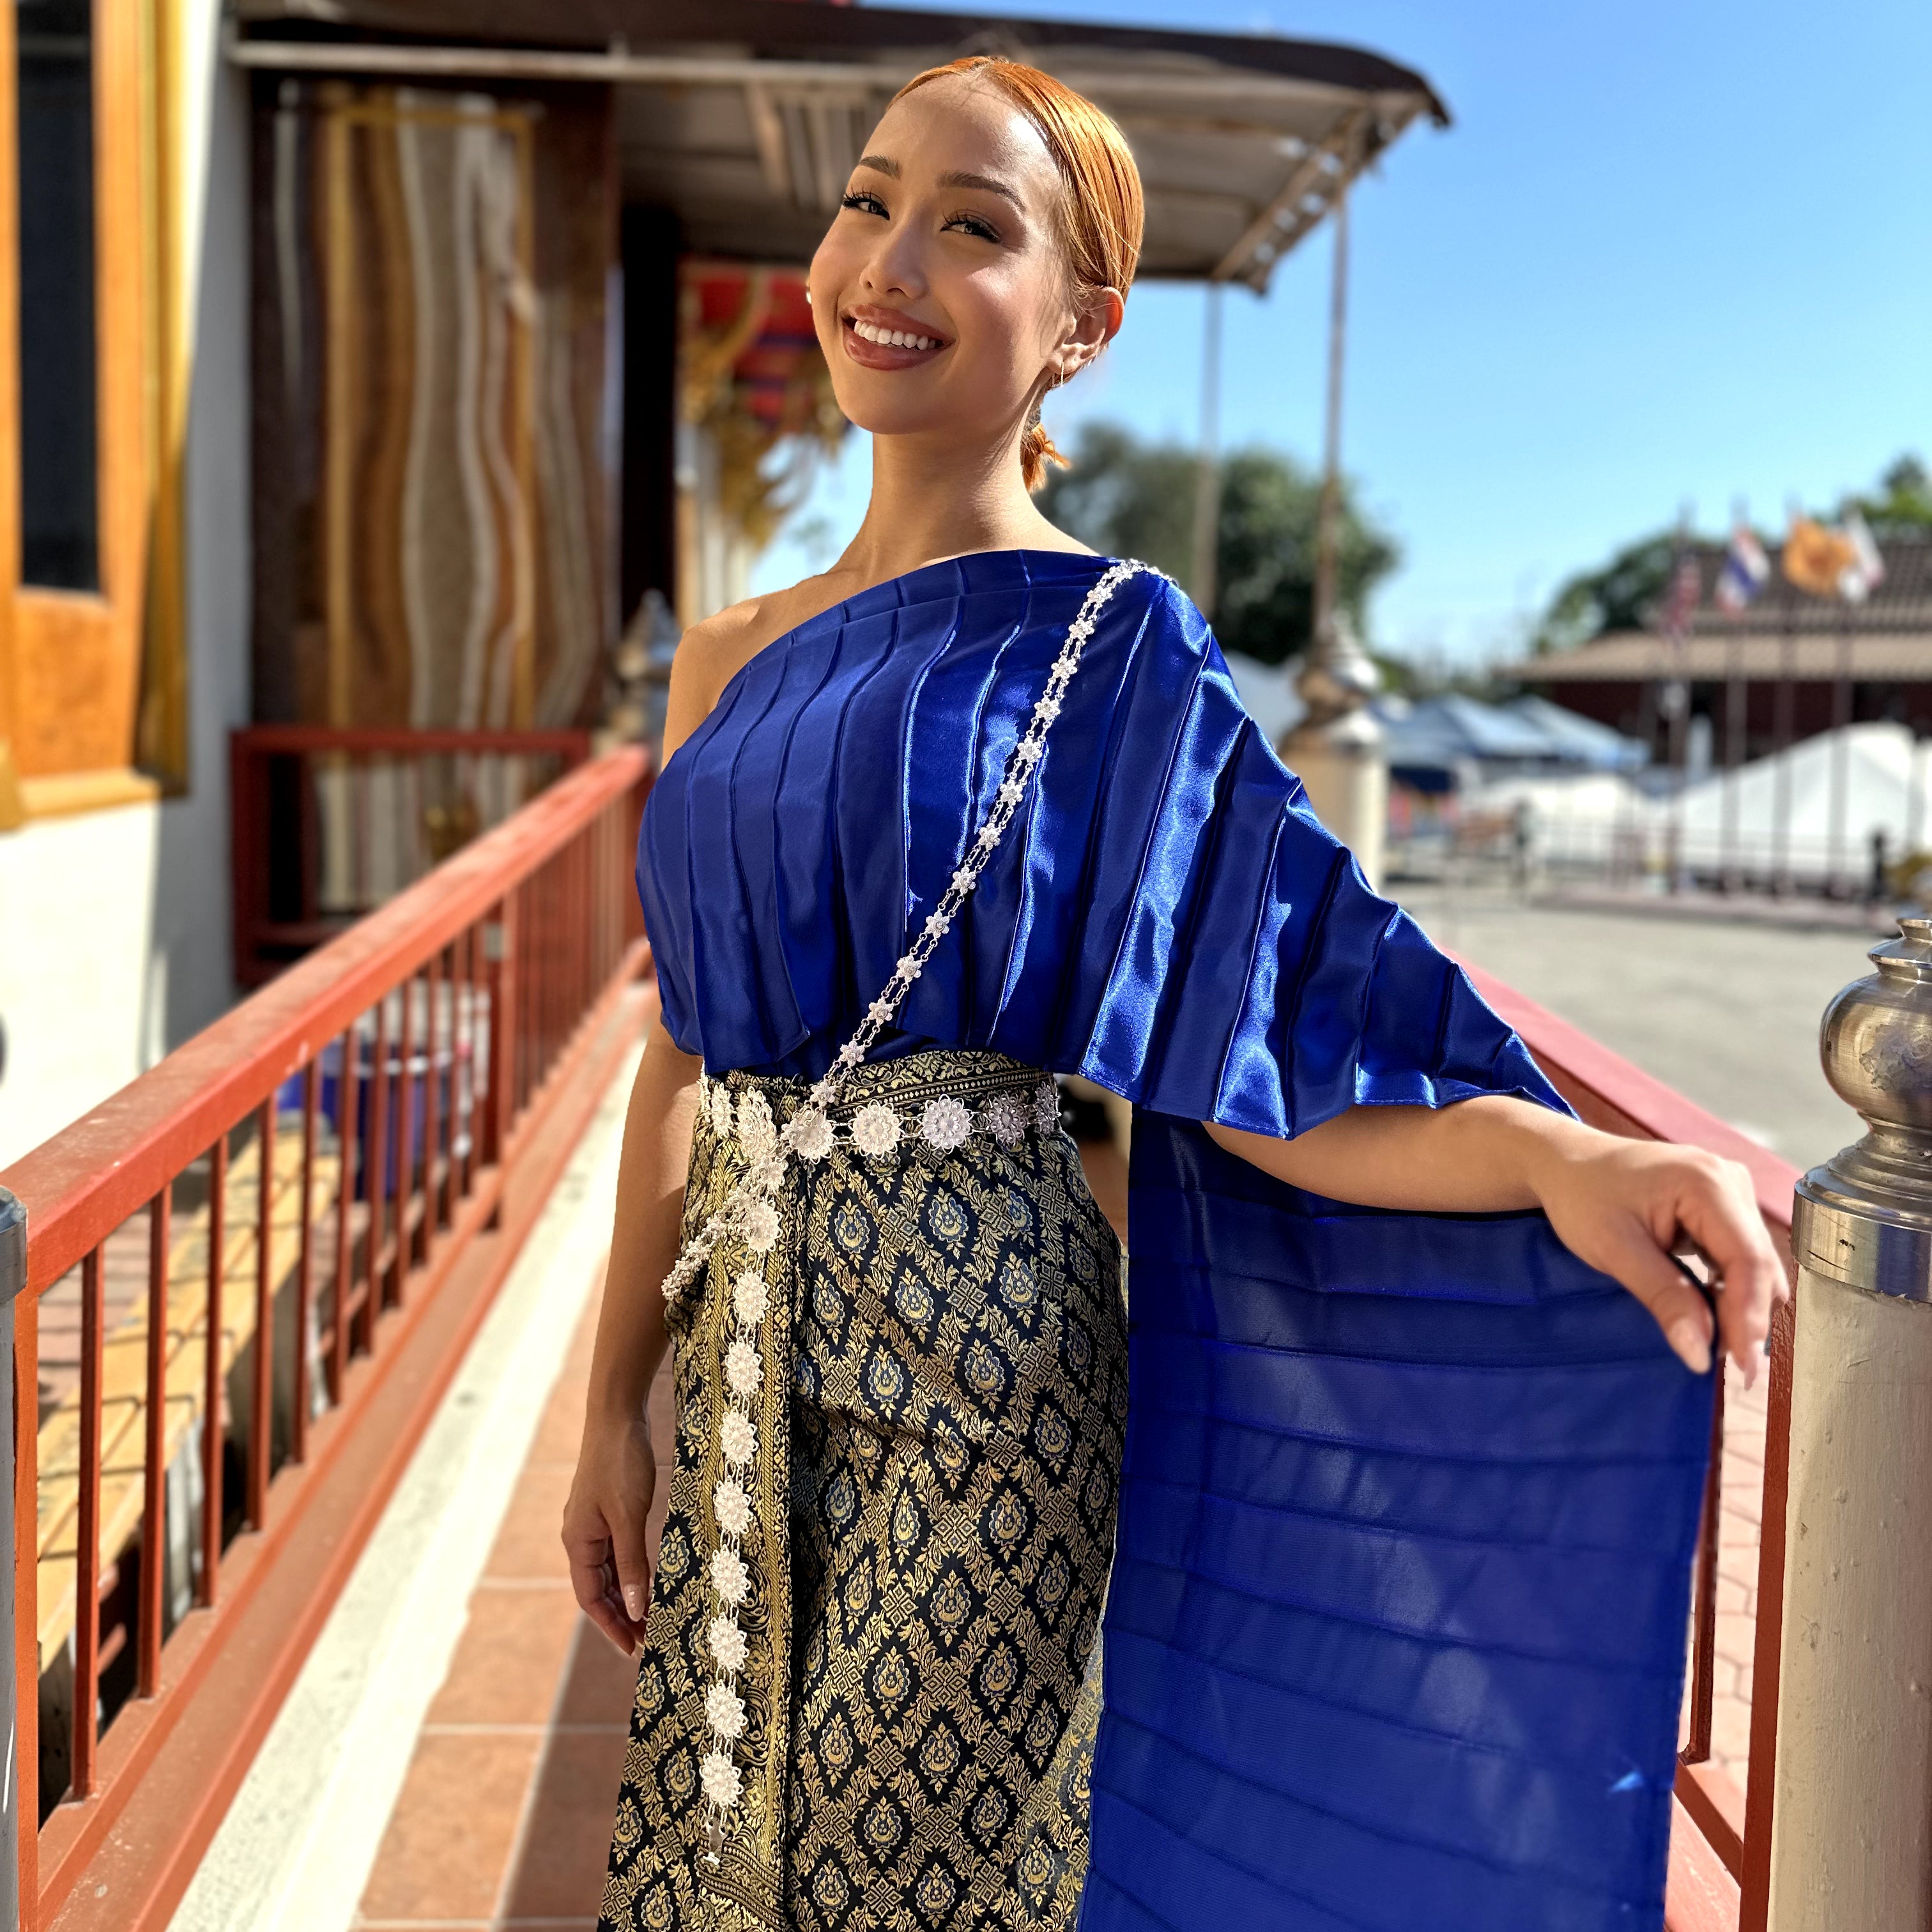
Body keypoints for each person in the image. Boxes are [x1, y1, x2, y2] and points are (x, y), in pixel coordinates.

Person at [566, 56, 1784, 1932]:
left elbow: (1258, 1044)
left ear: (1082, 328)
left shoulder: (1111, 641)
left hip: (984, 1370)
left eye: (975, 229)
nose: (887, 261)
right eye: (868, 200)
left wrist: (1553, 1155)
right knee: (722, 1866)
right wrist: (608, 1405)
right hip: (741, 1344)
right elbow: (683, 1052)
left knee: (905, 1894)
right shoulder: (725, 652)